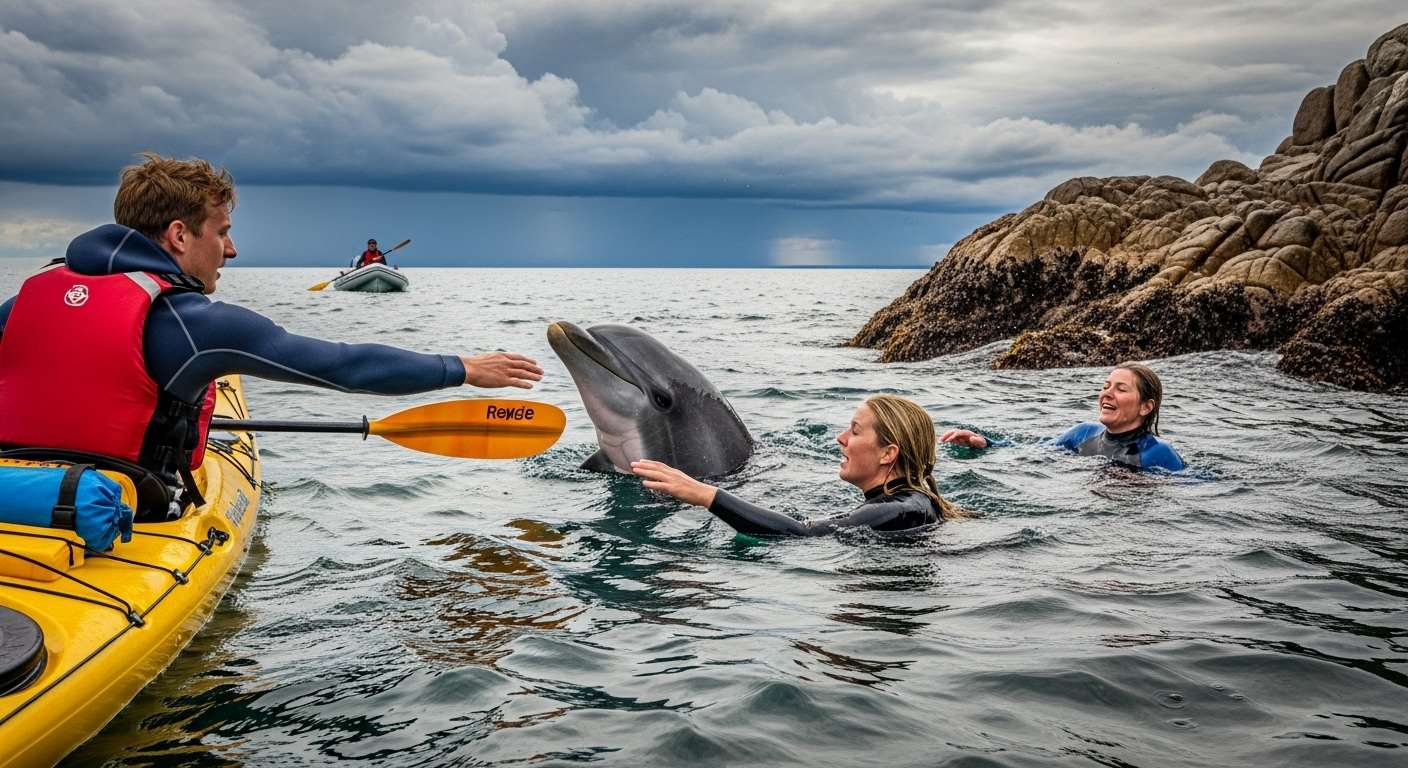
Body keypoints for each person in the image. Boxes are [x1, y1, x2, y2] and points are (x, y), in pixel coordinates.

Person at [0, 154, 542, 511]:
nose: (232, 250)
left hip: (15, 500)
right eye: (224, 232)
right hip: (126, 515)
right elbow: (342, 365)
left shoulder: (23, 301)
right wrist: (463, 368)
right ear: (179, 235)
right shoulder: (200, 327)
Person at [631, 394, 962, 536]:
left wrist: (706, 495)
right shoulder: (913, 504)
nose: (840, 438)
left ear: (888, 454)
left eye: (855, 431)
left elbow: (800, 535)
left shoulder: (898, 510)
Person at [940, 363, 1185, 472]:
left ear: (1145, 407)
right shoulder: (1082, 433)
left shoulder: (1158, 453)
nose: (1107, 394)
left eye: (1120, 389)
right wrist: (985, 444)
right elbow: (1033, 453)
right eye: (1105, 386)